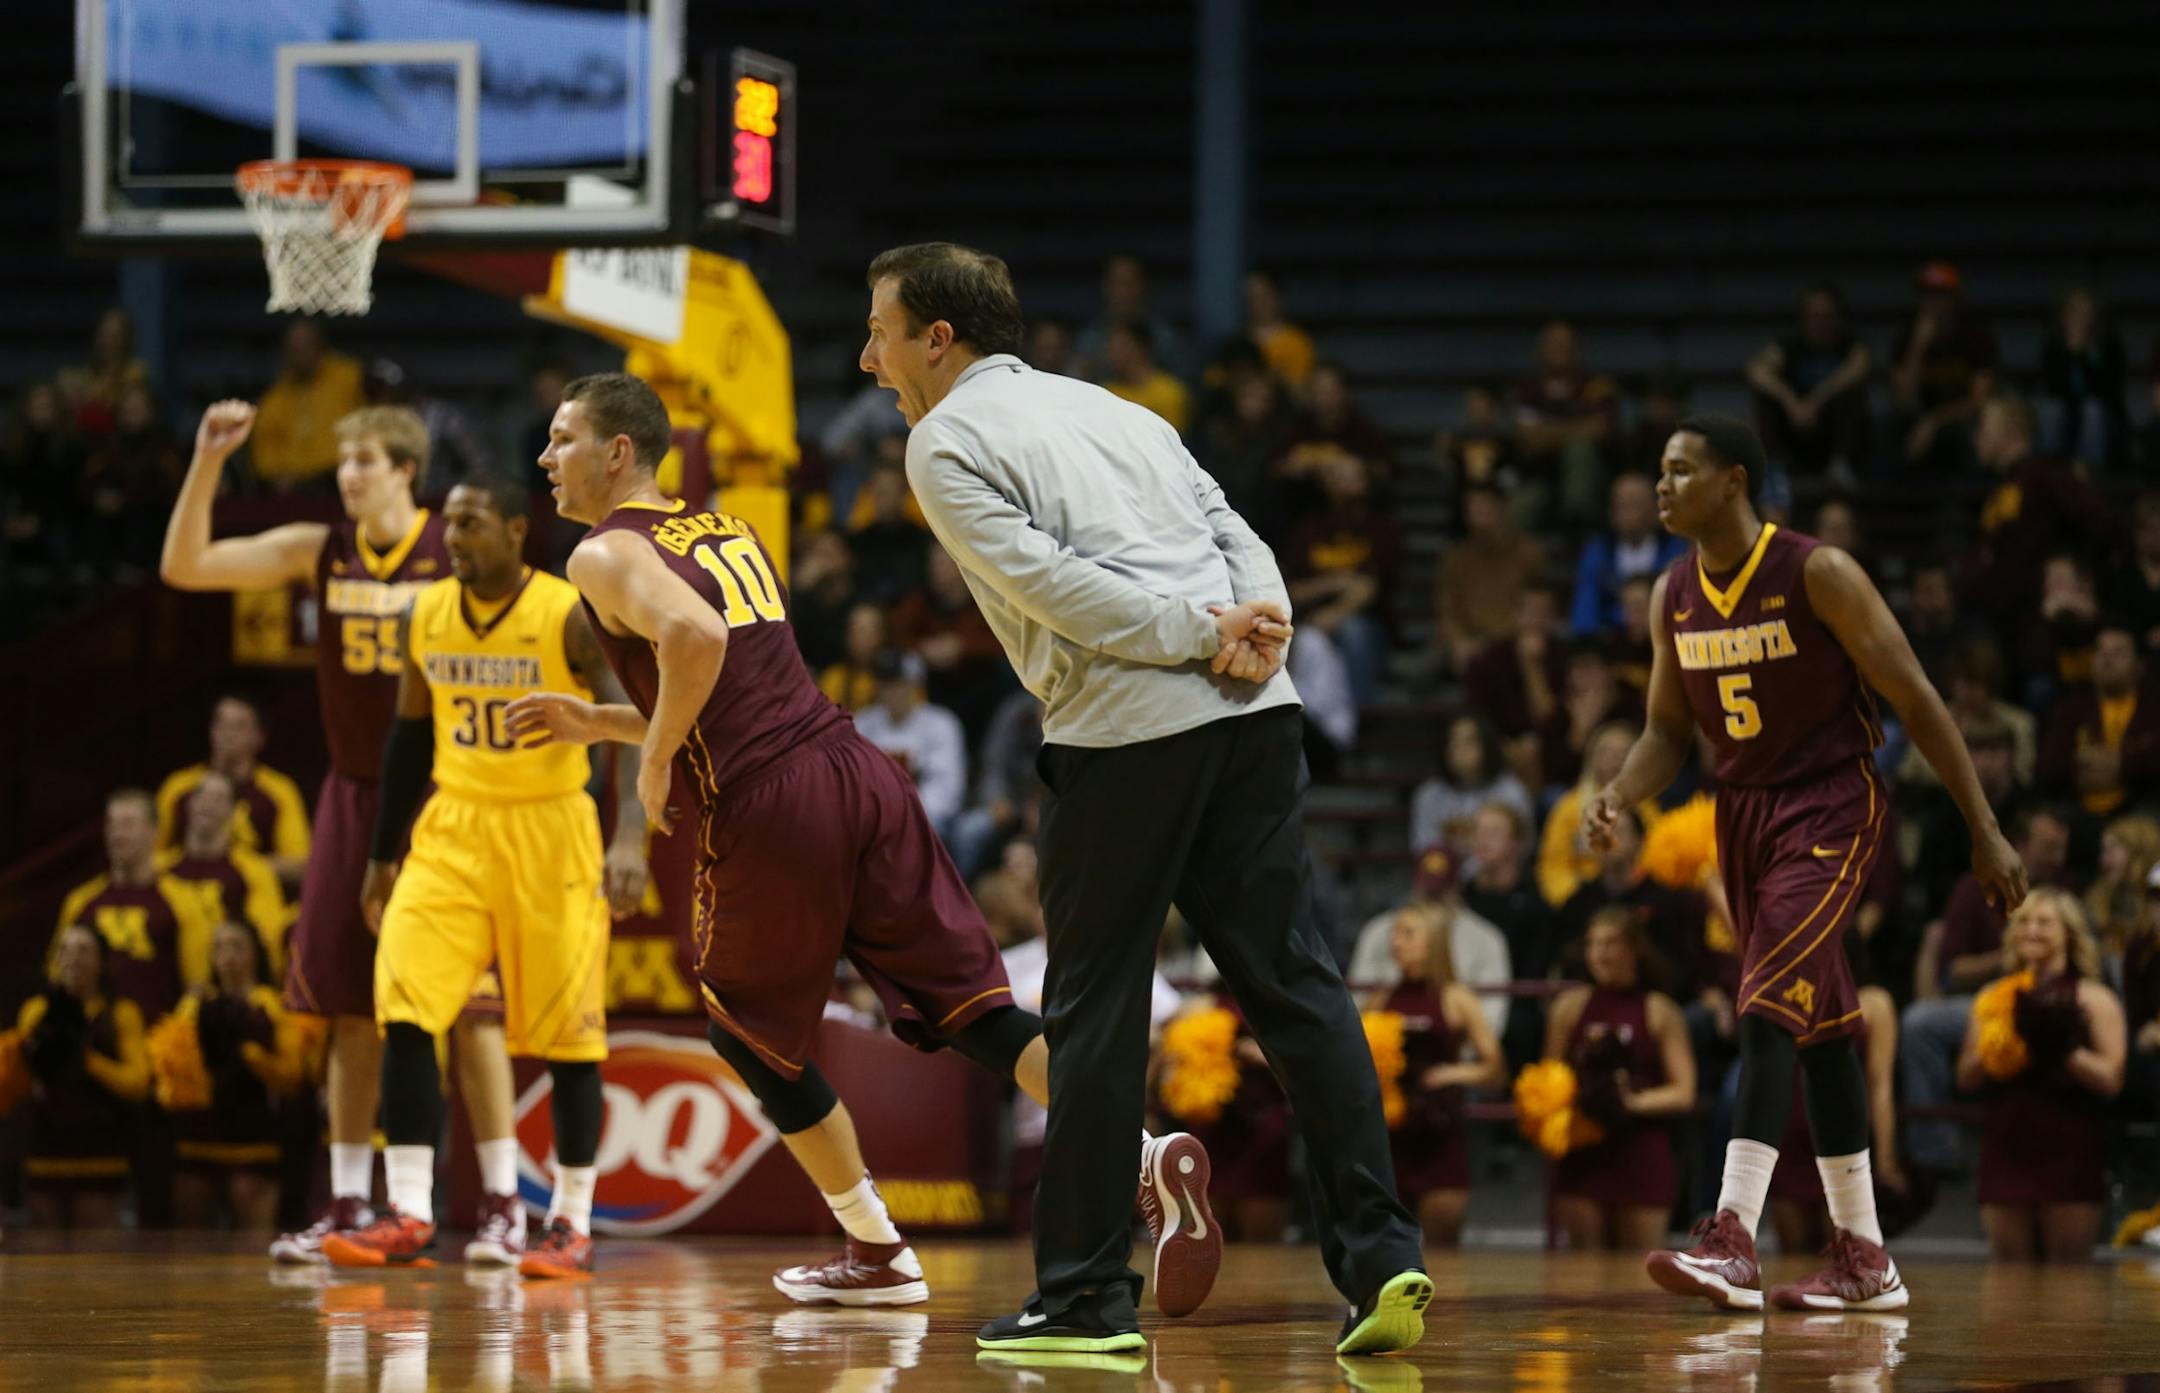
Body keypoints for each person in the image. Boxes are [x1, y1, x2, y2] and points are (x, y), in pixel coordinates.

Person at [518, 371, 1225, 1319]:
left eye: (562, 440)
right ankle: (1143, 1157)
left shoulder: (600, 553)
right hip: (853, 769)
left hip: (771, 805)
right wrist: (609, 720)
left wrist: (646, 763)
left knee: (746, 1033)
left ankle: (875, 1247)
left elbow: (692, 640)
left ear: (618, 453)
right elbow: (736, 685)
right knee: (972, 1013)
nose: (544, 458)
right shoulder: (722, 528)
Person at [859, 241, 1428, 1357]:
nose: (867, 354)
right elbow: (1232, 530)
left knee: (1096, 1011)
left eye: (879, 328)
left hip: (1130, 729)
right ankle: (1384, 1259)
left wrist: (1197, 634)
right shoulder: (1118, 411)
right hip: (1259, 715)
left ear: (939, 337)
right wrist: (1261, 620)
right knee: (1299, 985)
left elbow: (1050, 588)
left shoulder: (945, 438)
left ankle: (1082, 1299)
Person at [1601, 414, 2025, 1312]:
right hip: (1742, 814)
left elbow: (1916, 693)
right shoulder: (1671, 592)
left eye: (1680, 470)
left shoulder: (1817, 571)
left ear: (1733, 480)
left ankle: (1731, 1237)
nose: (1662, 485)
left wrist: (1984, 828)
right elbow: (1665, 733)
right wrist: (1617, 795)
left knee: (1764, 1002)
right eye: (1660, 472)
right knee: (1825, 1033)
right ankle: (1866, 1258)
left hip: (1831, 803)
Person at [159, 400, 523, 1265]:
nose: (346, 475)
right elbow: (185, 564)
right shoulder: (321, 548)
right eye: (342, 461)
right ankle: (350, 1200)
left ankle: (506, 1202)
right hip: (354, 797)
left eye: (363, 460)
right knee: (348, 1008)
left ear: (406, 470)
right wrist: (210, 459)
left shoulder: (457, 546)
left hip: (448, 798)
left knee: (470, 1013)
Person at [318, 476, 649, 1278]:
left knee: (571, 1035)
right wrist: (379, 857)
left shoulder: (565, 612)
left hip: (551, 827)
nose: (452, 538)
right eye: (449, 526)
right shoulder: (426, 613)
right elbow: (406, 742)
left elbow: (636, 720)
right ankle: (408, 1211)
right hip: (452, 826)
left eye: (468, 524)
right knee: (405, 1002)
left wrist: (629, 835)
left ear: (513, 530)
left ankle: (568, 1222)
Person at [1956, 888, 2125, 1262]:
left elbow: (2112, 1079)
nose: (2032, 930)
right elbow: (1965, 1076)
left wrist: (2063, 1048)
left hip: (2070, 1149)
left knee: (2068, 1285)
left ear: (2069, 933)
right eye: (2024, 922)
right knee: (2008, 1285)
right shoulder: (1995, 996)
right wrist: (2007, 1040)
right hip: (2007, 1147)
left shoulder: (2095, 999)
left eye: (2045, 922)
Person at [1545, 908, 1696, 1251]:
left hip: (1641, 1149)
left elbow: (1684, 1092)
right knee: (1582, 1273)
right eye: (1593, 944)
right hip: (1583, 1150)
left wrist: (1628, 1101)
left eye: (1610, 943)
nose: (1599, 953)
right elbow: (1548, 1079)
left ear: (1634, 949)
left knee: (1640, 1270)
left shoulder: (1660, 1010)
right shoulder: (1568, 1007)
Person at [1368, 903, 1506, 1245]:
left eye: (1408, 933)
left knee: (1444, 1259)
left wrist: (1451, 1074)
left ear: (1434, 941)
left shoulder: (1457, 999)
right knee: (1388, 1254)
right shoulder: (1380, 999)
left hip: (1440, 1140)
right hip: (1390, 1142)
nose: (1396, 943)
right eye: (1395, 934)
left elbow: (1496, 1070)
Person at [170, 920, 313, 1231]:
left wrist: (252, 1055)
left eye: (237, 946)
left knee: (253, 1236)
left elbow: (292, 1077)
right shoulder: (196, 1002)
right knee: (189, 1237)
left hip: (254, 1133)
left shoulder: (271, 1003)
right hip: (199, 1132)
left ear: (255, 954)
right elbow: (171, 1069)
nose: (228, 956)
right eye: (220, 947)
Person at [11, 924, 150, 1229]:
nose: (74, 957)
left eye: (84, 950)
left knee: (96, 1259)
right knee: (43, 1258)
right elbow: (19, 1083)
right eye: (66, 949)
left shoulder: (121, 1013)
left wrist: (87, 1060)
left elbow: (138, 1084)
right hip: (46, 1148)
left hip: (101, 1149)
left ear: (101, 961)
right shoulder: (36, 1010)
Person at [55, 788, 216, 1020]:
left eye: (128, 824)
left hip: (156, 1041)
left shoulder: (185, 902)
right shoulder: (81, 901)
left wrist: (173, 1039)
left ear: (154, 832)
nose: (117, 835)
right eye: (112, 825)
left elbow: (197, 986)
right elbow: (57, 976)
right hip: (91, 1041)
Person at [156, 695, 311, 888]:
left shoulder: (279, 790)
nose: (228, 735)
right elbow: (150, 858)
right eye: (221, 725)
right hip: (184, 896)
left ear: (259, 737)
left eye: (239, 727)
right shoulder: (179, 787)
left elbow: (300, 866)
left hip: (253, 896)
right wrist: (190, 865)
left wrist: (235, 868)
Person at [157, 770, 290, 959]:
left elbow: (267, 935)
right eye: (201, 795)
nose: (207, 805)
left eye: (218, 799)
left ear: (233, 811)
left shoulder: (254, 870)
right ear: (190, 803)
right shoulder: (159, 869)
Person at [249, 320, 369, 490]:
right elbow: (264, 451)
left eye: (305, 347)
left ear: (320, 346)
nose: (299, 355)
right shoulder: (274, 398)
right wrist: (276, 474)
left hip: (343, 477)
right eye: (294, 350)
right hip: (296, 486)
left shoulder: (351, 379)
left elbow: (374, 423)